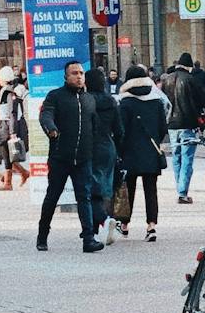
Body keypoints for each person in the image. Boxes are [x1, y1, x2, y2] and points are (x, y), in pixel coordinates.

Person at [34, 62, 101, 254]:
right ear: (66, 76)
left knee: (84, 197)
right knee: (52, 196)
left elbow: (94, 127)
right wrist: (52, 130)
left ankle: (88, 239)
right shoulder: (55, 96)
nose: (79, 76)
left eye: (81, 73)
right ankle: (42, 235)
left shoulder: (89, 100)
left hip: (83, 158)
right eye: (74, 73)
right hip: (60, 157)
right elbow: (45, 116)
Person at [115, 64, 168, 241]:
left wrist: (120, 150)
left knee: (127, 189)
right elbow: (162, 129)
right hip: (151, 152)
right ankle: (151, 226)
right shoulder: (156, 101)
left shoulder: (125, 102)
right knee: (150, 190)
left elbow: (120, 130)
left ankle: (124, 224)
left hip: (130, 152)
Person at [161, 50, 205, 205]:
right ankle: (182, 192)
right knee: (187, 158)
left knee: (176, 157)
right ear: (188, 66)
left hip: (172, 124)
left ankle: (179, 187)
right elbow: (204, 100)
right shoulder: (191, 79)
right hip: (188, 123)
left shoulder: (167, 80)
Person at [84, 67, 121, 243]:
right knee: (105, 189)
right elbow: (119, 130)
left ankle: (102, 222)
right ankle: (100, 222)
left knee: (88, 189)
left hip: (89, 148)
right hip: (107, 147)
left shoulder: (84, 100)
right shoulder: (111, 101)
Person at [0, 67, 28, 192]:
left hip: (6, 127)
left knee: (6, 154)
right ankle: (19, 175)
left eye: (0, 77)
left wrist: (12, 132)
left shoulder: (8, 93)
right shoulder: (5, 92)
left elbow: (12, 113)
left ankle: (8, 182)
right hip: (3, 127)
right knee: (5, 154)